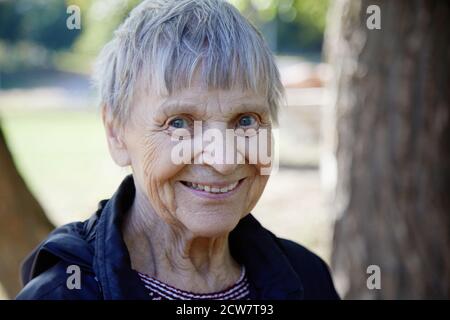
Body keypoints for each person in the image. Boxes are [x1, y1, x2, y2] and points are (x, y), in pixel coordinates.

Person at [16, 0, 339, 300]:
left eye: (245, 120)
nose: (224, 160)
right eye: (180, 122)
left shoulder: (307, 277)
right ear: (116, 132)